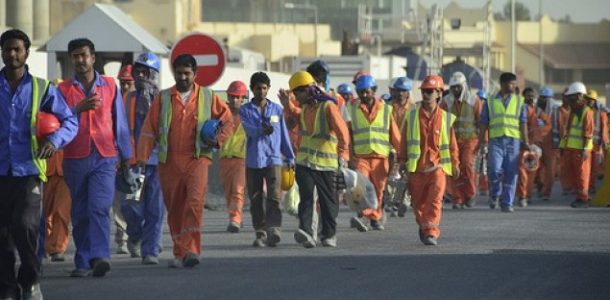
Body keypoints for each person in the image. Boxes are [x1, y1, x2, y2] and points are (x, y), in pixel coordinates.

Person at [1, 29, 78, 300]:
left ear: (26, 53)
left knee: (25, 227)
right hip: (0, 171)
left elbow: (70, 121)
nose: (12, 54)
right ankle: (7, 288)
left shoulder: (42, 88)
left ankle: (30, 280)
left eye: (17, 50)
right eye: (7, 49)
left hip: (29, 170)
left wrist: (54, 141)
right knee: (2, 236)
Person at [137, 54, 233, 267]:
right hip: (168, 162)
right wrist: (142, 158)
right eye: (179, 73)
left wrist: (217, 141)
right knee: (175, 208)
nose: (182, 77)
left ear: (195, 74)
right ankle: (180, 251)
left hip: (197, 159)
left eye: (187, 73)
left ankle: (191, 250)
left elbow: (228, 121)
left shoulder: (208, 97)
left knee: (195, 203)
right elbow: (148, 129)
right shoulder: (163, 99)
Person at [58, 38, 132, 277]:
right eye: (76, 56)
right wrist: (76, 109)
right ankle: (82, 260)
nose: (80, 60)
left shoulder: (110, 86)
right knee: (80, 211)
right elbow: (55, 122)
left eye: (84, 55)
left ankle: (100, 256)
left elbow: (120, 123)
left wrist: (126, 156)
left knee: (100, 207)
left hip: (105, 156)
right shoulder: (63, 90)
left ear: (93, 57)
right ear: (71, 59)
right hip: (74, 157)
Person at [280, 71, 350, 248]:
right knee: (306, 198)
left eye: (297, 93)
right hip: (305, 162)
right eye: (294, 94)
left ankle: (328, 235)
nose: (296, 97)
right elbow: (295, 117)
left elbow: (343, 133)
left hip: (326, 165)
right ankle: (307, 232)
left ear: (308, 90)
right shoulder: (304, 109)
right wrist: (287, 105)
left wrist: (343, 156)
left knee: (328, 202)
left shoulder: (328, 107)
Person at [399, 75, 459, 246]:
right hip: (416, 168)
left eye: (430, 91)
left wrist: (455, 163)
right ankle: (424, 226)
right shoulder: (411, 117)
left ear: (439, 93)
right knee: (418, 203)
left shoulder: (447, 118)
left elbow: (452, 144)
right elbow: (403, 141)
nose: (426, 95)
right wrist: (401, 161)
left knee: (435, 201)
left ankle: (431, 231)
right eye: (424, 91)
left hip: (437, 167)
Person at [119, 52, 165, 264]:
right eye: (138, 71)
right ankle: (135, 234)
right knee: (131, 207)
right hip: (134, 162)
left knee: (155, 208)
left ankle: (151, 251)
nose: (141, 75)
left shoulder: (164, 100)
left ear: (154, 74)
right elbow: (119, 129)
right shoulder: (128, 98)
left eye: (146, 72)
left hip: (158, 162)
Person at [240, 72, 294, 247]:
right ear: (252, 89)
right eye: (258, 88)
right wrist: (262, 130)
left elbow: (283, 134)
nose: (261, 91)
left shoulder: (276, 109)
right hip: (254, 160)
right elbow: (248, 129)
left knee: (274, 196)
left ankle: (274, 229)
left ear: (268, 89)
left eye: (264, 88)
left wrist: (290, 156)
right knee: (255, 198)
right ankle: (260, 231)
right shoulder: (245, 110)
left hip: (273, 159)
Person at [347, 74, 401, 231]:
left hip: (380, 157)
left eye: (367, 91)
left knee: (378, 189)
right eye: (361, 92)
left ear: (374, 91)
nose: (364, 95)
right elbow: (348, 135)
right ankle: (364, 215)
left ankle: (375, 217)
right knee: (360, 186)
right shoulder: (352, 109)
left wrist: (401, 154)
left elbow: (395, 134)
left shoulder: (386, 110)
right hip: (361, 157)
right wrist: (349, 157)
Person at [478, 72, 529, 213]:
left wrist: (526, 142)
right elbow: (483, 123)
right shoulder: (490, 101)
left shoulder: (519, 101)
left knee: (511, 173)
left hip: (513, 141)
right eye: (511, 84)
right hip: (496, 141)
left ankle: (507, 203)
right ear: (502, 84)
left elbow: (523, 122)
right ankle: (495, 193)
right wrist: (481, 142)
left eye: (514, 84)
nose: (513, 86)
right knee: (493, 169)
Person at [440, 72, 482, 209]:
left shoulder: (474, 100)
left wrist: (484, 141)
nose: (455, 90)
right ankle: (457, 198)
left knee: (467, 166)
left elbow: (481, 122)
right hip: (452, 141)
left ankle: (469, 195)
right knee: (453, 168)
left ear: (463, 86)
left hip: (470, 140)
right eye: (453, 87)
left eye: (458, 87)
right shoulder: (445, 102)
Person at [219, 80, 248, 233]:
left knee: (238, 189)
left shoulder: (248, 114)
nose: (235, 100)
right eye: (232, 96)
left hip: (241, 158)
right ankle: (237, 216)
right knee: (229, 191)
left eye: (238, 97)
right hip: (224, 157)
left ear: (243, 98)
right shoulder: (221, 113)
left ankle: (234, 219)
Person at [560, 82, 594, 208]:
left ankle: (583, 199)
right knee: (575, 174)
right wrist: (563, 146)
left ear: (580, 96)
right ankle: (579, 196)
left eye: (572, 97)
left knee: (582, 174)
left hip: (581, 149)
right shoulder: (573, 111)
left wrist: (585, 149)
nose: (570, 100)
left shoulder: (587, 112)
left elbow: (588, 132)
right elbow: (567, 131)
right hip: (572, 148)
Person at [516, 88, 550, 207]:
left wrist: (541, 131)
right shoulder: (522, 109)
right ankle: (522, 196)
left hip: (534, 147)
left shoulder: (537, 111)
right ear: (523, 97)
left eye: (532, 96)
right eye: (528, 96)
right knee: (522, 171)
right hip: (523, 145)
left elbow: (548, 123)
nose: (530, 98)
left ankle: (527, 195)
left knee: (531, 172)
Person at [385, 76, 414, 217]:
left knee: (406, 175)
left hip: (409, 147)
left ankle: (403, 198)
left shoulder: (414, 108)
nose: (401, 93)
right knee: (391, 177)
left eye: (404, 90)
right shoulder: (387, 108)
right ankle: (393, 202)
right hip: (390, 147)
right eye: (398, 90)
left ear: (408, 92)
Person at [42, 150, 71, 262]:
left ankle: (57, 248)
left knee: (61, 211)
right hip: (42, 170)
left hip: (65, 171)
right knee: (43, 213)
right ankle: (44, 244)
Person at [536, 87, 559, 201]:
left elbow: (557, 126)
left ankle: (546, 192)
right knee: (538, 168)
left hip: (551, 144)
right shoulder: (536, 110)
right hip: (538, 143)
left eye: (545, 98)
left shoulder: (555, 110)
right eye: (541, 97)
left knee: (550, 170)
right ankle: (540, 187)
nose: (542, 100)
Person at [584, 90, 609, 193]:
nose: (589, 101)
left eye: (591, 100)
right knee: (586, 167)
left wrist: (605, 141)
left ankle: (591, 186)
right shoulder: (584, 111)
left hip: (596, 143)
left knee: (594, 167)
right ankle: (585, 186)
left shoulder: (601, 112)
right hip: (586, 143)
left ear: (595, 100)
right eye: (588, 99)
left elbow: (603, 129)